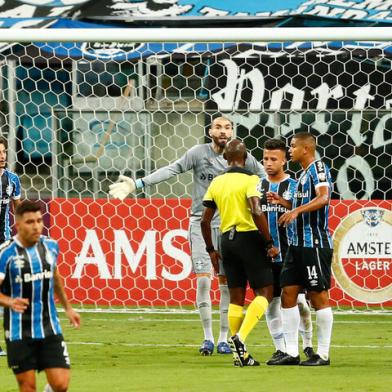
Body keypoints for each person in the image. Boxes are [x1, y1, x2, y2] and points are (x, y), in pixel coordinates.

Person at [109, 116, 265, 356]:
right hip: (200, 223)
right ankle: (207, 338)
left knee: (226, 283)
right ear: (210, 131)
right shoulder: (198, 153)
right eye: (218, 127)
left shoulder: (242, 156)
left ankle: (224, 338)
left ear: (232, 132)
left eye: (227, 128)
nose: (223, 132)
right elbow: (172, 169)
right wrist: (137, 185)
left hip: (229, 225)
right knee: (203, 280)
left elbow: (265, 177)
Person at [201, 139, 278, 367]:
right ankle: (240, 338)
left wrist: (211, 250)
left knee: (236, 297)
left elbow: (205, 221)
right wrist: (269, 242)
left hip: (226, 241)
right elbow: (256, 209)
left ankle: (240, 356)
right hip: (249, 238)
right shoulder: (252, 179)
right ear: (246, 158)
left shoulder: (216, 183)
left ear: (225, 158)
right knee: (265, 292)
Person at [0, 200, 81, 391]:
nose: (36, 226)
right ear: (18, 225)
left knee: (60, 384)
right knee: (28, 387)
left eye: (39, 221)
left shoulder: (51, 246)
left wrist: (68, 308)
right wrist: (10, 301)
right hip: (18, 330)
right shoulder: (6, 253)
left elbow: (55, 276)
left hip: (49, 326)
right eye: (30, 222)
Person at [272, 132, 333, 366]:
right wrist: (285, 203)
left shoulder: (318, 169)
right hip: (296, 246)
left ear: (306, 149)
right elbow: (304, 204)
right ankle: (291, 352)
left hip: (314, 244)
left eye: (293, 146)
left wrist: (295, 211)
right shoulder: (303, 174)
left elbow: (324, 198)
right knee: (288, 294)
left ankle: (323, 354)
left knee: (318, 296)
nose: (290, 150)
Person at [258, 138, 314, 365]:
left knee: (299, 302)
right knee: (271, 303)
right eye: (265, 159)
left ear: (283, 161)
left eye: (273, 159)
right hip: (266, 255)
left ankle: (308, 344)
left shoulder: (294, 186)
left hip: (291, 254)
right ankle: (281, 348)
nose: (268, 163)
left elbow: (303, 215)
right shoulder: (257, 186)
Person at [0, 136, 22, 357]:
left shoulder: (13, 179)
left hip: (4, 241)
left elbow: (18, 208)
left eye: (4, 151)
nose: (2, 156)